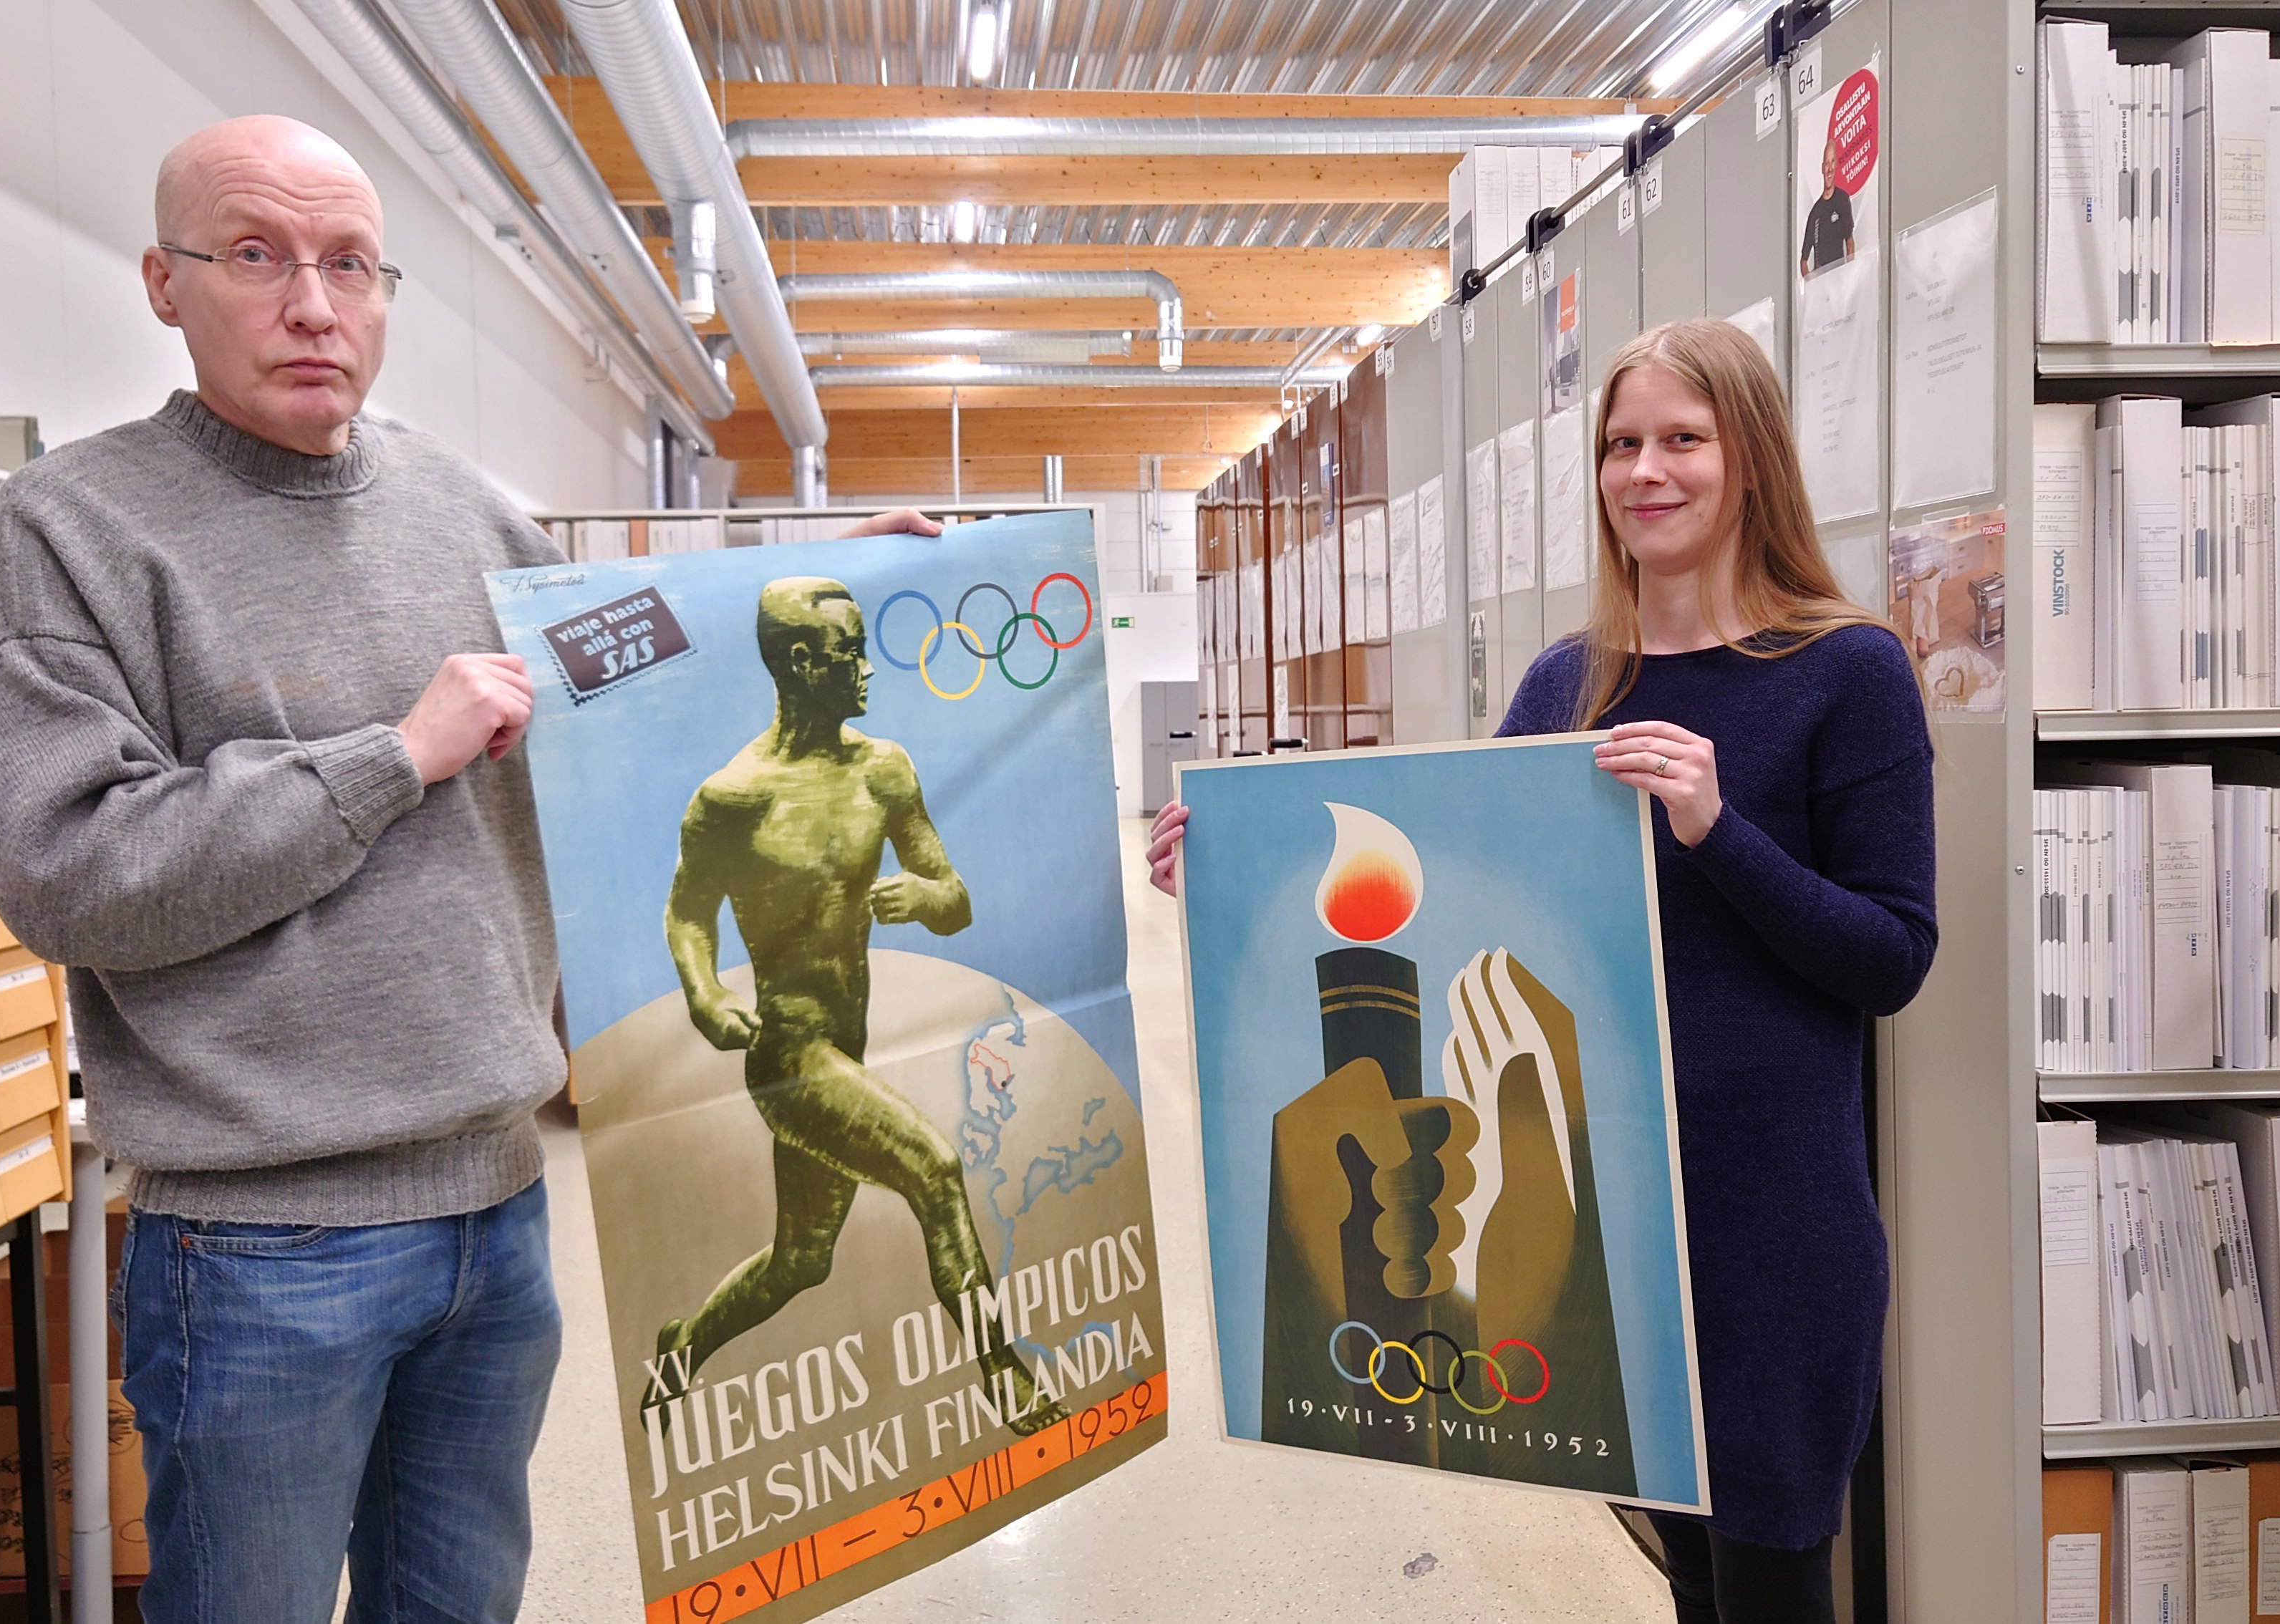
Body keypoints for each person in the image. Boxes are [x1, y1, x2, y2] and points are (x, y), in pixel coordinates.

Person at [0, 114, 937, 1624]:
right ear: (164, 283)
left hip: (499, 1208)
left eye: (351, 265)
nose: (313, 304)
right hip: (262, 1245)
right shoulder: (78, 527)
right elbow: (69, 871)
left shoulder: (470, 513)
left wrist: (807, 595)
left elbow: (637, 707)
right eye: (256, 257)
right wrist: (387, 759)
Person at [1146, 318, 1934, 1624]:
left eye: (1683, 438)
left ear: (1752, 463)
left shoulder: (1845, 672)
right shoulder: (1570, 680)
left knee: (1778, 1571)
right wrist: (1238, 878)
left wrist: (1714, 828)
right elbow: (1448, 901)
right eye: (1623, 443)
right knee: (1686, 1572)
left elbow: (1892, 955)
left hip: (1772, 1219)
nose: (1647, 471)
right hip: (1612, 1208)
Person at [647, 578, 1057, 1431]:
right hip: (789, 1054)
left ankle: (681, 1343)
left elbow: (955, 896)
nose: (868, 670)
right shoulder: (734, 796)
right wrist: (705, 992)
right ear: (801, 663)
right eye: (848, 653)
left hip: (849, 1043)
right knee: (937, 1173)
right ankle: (1004, 1371)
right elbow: (689, 912)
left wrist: (926, 896)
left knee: (801, 1261)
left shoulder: (885, 770)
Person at [1799, 138, 1857, 277]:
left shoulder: (1842, 200)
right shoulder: (1815, 212)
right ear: (1822, 168)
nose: (1829, 168)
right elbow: (1803, 261)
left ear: (1836, 164)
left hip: (1839, 280)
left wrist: (1848, 274)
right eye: (1827, 163)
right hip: (1821, 287)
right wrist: (1811, 280)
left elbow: (1850, 242)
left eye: (1832, 162)